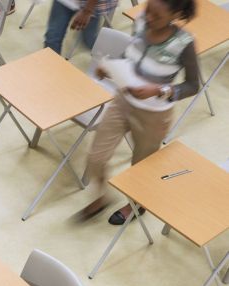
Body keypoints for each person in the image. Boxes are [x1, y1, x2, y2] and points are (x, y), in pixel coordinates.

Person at [78, 0, 199, 225]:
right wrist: (111, 67)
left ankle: (135, 205)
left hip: (154, 116)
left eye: (157, 16)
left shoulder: (185, 43)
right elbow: (130, 55)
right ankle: (101, 196)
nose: (149, 19)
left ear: (175, 15)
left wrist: (160, 90)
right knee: (96, 157)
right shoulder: (143, 23)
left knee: (141, 168)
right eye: (148, 12)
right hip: (123, 102)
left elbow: (193, 85)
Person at [44, 0, 119, 55]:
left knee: (89, 40)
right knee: (52, 37)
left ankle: (120, 54)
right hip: (65, 2)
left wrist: (87, 11)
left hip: (92, 5)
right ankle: (50, 70)